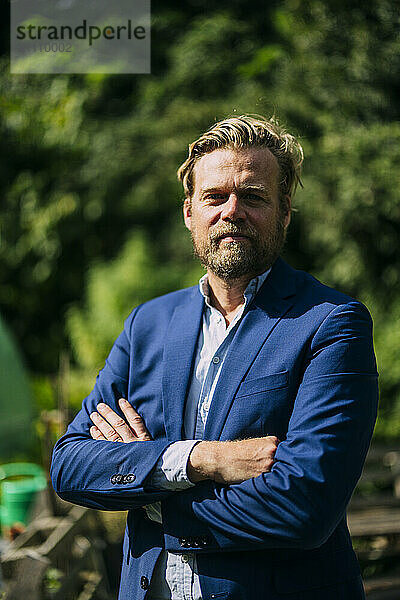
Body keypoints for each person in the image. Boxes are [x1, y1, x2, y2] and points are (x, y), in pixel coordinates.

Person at [51, 115, 378, 600]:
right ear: (189, 212)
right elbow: (70, 465)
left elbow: (305, 506)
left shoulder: (331, 322)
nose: (232, 211)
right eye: (214, 196)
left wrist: (150, 495)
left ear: (284, 211)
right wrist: (200, 460)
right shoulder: (149, 324)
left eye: (253, 196)